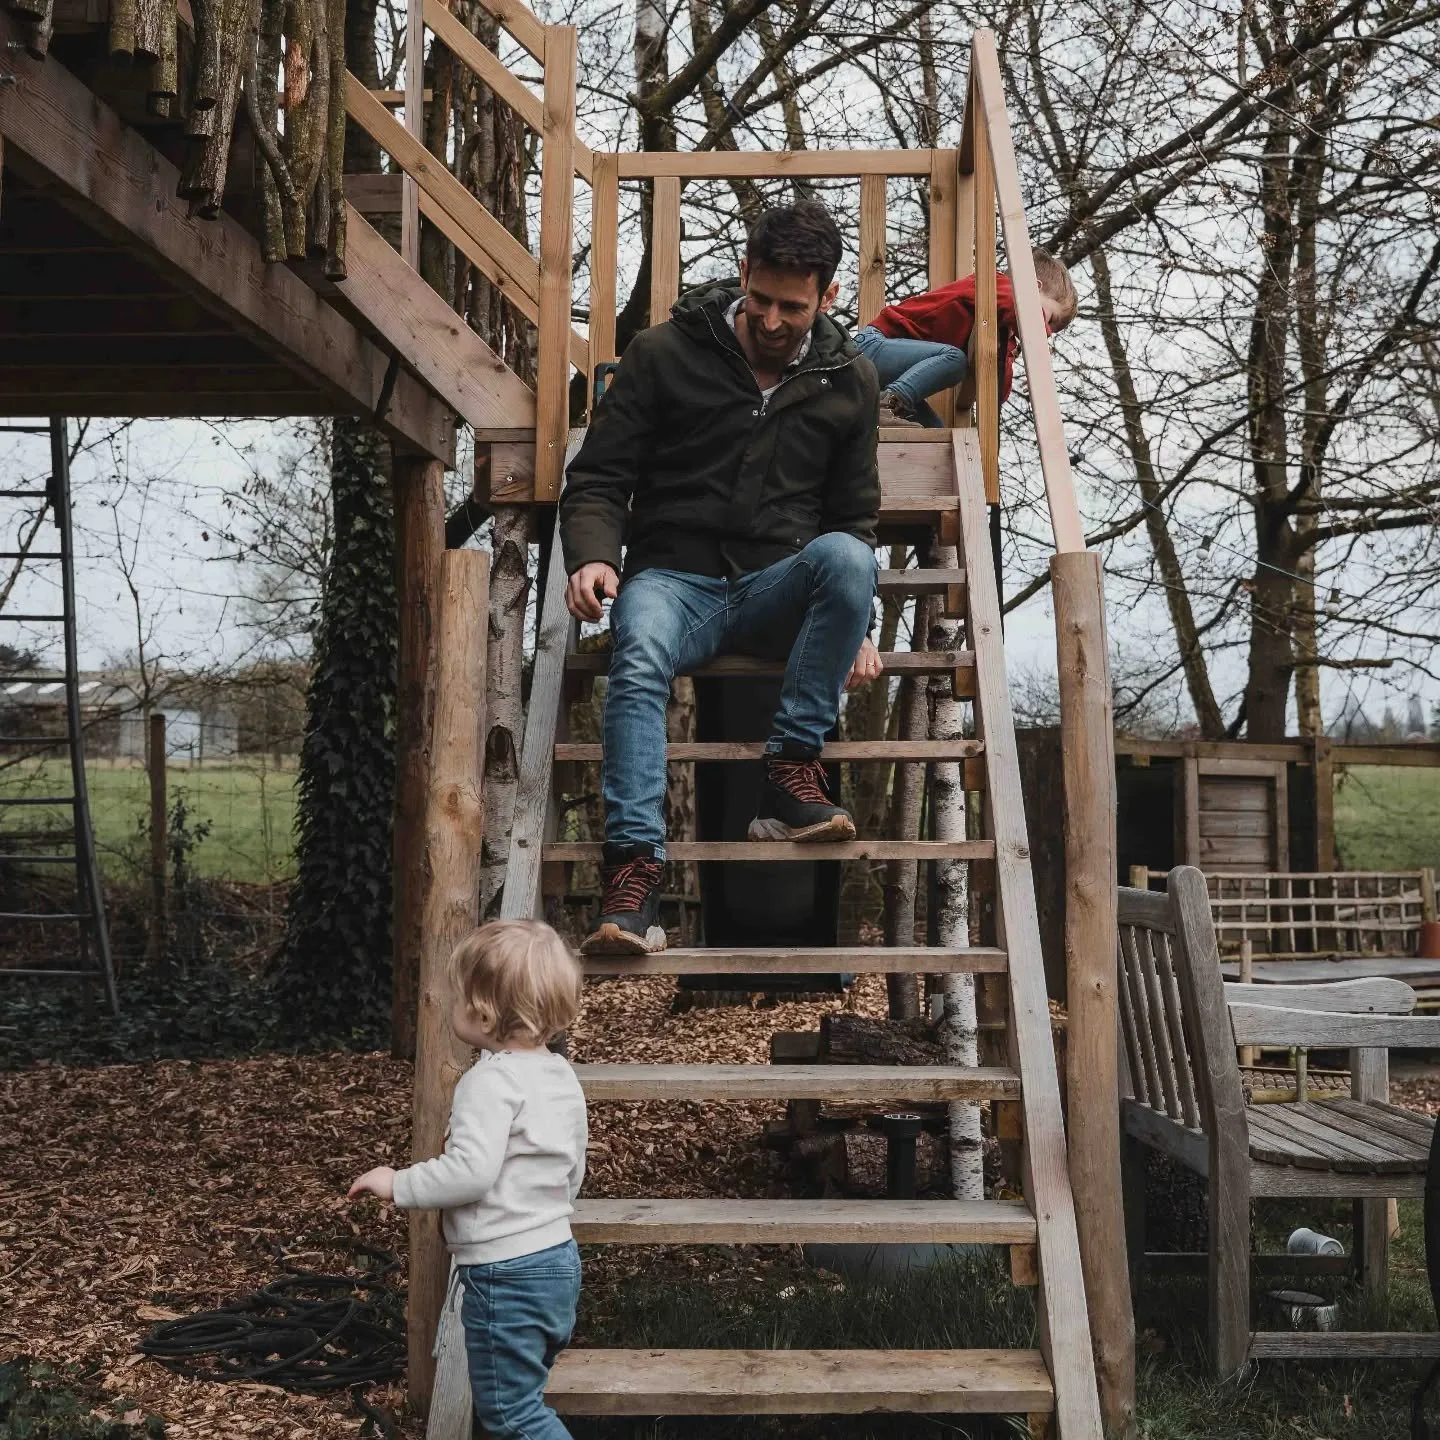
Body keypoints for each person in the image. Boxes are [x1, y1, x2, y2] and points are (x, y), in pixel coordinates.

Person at [559, 200, 883, 957]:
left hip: (777, 590)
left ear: (827, 297)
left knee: (847, 558)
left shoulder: (851, 380)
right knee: (636, 654)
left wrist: (856, 624)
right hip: (675, 582)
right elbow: (600, 477)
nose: (772, 320)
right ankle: (636, 875)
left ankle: (791, 770)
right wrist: (594, 554)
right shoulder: (663, 353)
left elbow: (854, 517)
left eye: (793, 308)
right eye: (762, 299)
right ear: (743, 274)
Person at [348, 920, 587, 1440]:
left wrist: (400, 1183)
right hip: (557, 1264)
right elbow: (573, 1168)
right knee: (525, 1398)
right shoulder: (559, 1074)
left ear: (481, 1011)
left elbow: (470, 1173)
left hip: (508, 1275)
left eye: (457, 995)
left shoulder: (490, 1081)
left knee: (513, 1414)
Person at [854, 247, 1078, 427]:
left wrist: (1014, 354)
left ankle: (884, 406)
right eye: (1049, 319)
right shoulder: (994, 284)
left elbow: (997, 394)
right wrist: (1037, 347)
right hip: (874, 348)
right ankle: (886, 405)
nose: (1044, 329)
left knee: (937, 435)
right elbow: (1021, 308)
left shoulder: (1003, 331)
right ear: (1031, 287)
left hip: (888, 378)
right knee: (956, 359)